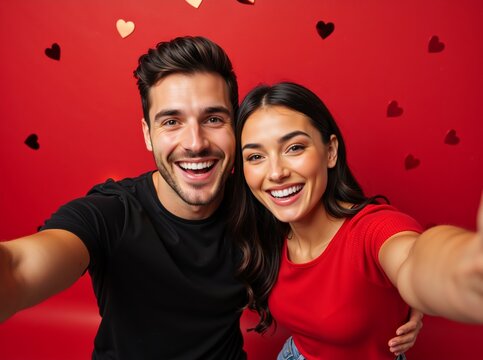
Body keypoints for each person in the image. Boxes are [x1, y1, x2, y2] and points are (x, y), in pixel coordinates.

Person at [0, 37, 420, 359]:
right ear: (147, 134)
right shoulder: (110, 213)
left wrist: (410, 291)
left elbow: (361, 246)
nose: (195, 142)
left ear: (235, 131)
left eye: (214, 119)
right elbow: (20, 268)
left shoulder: (266, 197)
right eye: (171, 122)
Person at [230, 81, 483, 360]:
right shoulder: (266, 231)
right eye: (255, 156)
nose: (276, 172)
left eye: (294, 148)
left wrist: (465, 267)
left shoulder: (371, 229)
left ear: (330, 151)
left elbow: (414, 257)